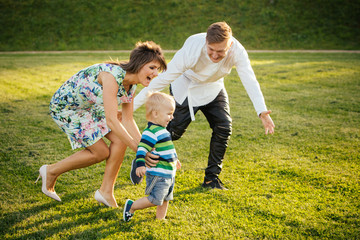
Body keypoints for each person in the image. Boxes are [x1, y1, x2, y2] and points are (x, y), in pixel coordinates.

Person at [131, 22, 275, 190]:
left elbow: (249, 79)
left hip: (213, 88)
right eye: (211, 50)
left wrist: (262, 112)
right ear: (206, 41)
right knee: (172, 133)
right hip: (186, 87)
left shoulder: (238, 52)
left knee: (224, 127)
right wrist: (128, 109)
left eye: (220, 51)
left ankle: (211, 179)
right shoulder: (192, 49)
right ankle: (141, 158)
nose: (214, 55)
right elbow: (161, 80)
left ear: (230, 45)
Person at [35, 41, 167, 207]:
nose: (155, 73)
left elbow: (127, 119)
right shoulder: (112, 76)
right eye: (152, 68)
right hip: (67, 108)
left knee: (119, 140)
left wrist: (144, 147)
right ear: (140, 64)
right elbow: (112, 119)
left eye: (158, 70)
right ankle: (50, 171)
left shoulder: (131, 84)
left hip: (89, 107)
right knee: (100, 152)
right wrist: (138, 151)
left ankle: (105, 192)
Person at [123, 92, 181, 221]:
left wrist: (175, 159)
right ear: (155, 114)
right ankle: (131, 207)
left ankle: (160, 219)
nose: (172, 117)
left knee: (166, 198)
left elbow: (168, 148)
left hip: (168, 173)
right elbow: (142, 150)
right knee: (155, 199)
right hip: (158, 174)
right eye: (169, 114)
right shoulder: (151, 132)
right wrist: (140, 165)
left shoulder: (162, 130)